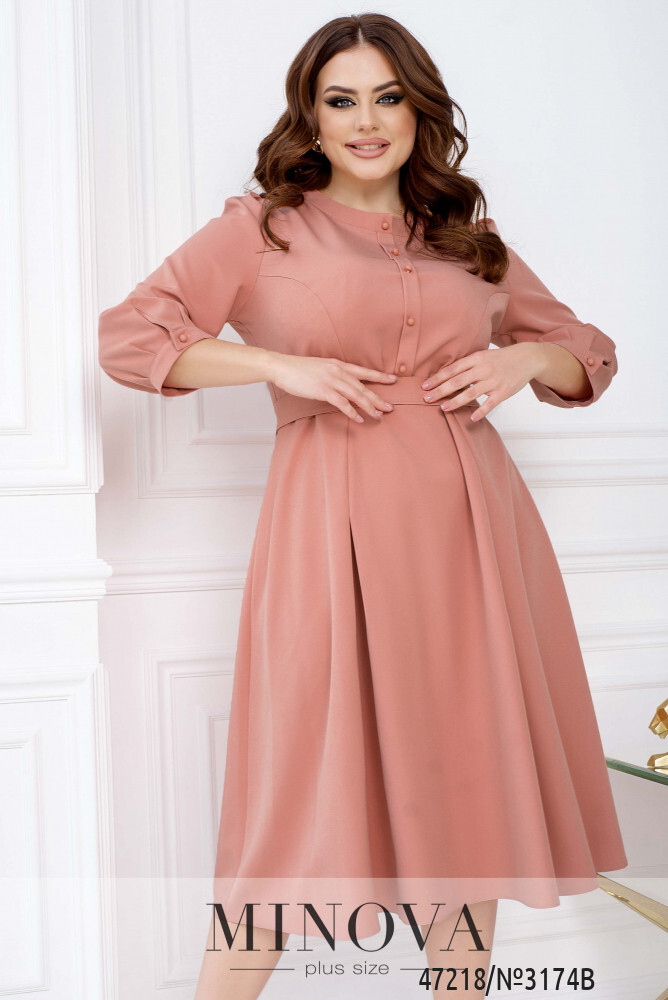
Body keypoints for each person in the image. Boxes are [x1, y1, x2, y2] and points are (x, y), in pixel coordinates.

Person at [97, 13, 628, 998]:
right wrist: (276, 364)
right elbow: (132, 336)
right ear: (311, 115)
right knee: (294, 802)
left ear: (419, 110)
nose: (366, 121)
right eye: (340, 100)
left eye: (387, 98)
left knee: (470, 787)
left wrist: (520, 357)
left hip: (473, 536)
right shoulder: (261, 230)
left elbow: (586, 353)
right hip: (329, 529)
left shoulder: (466, 241)